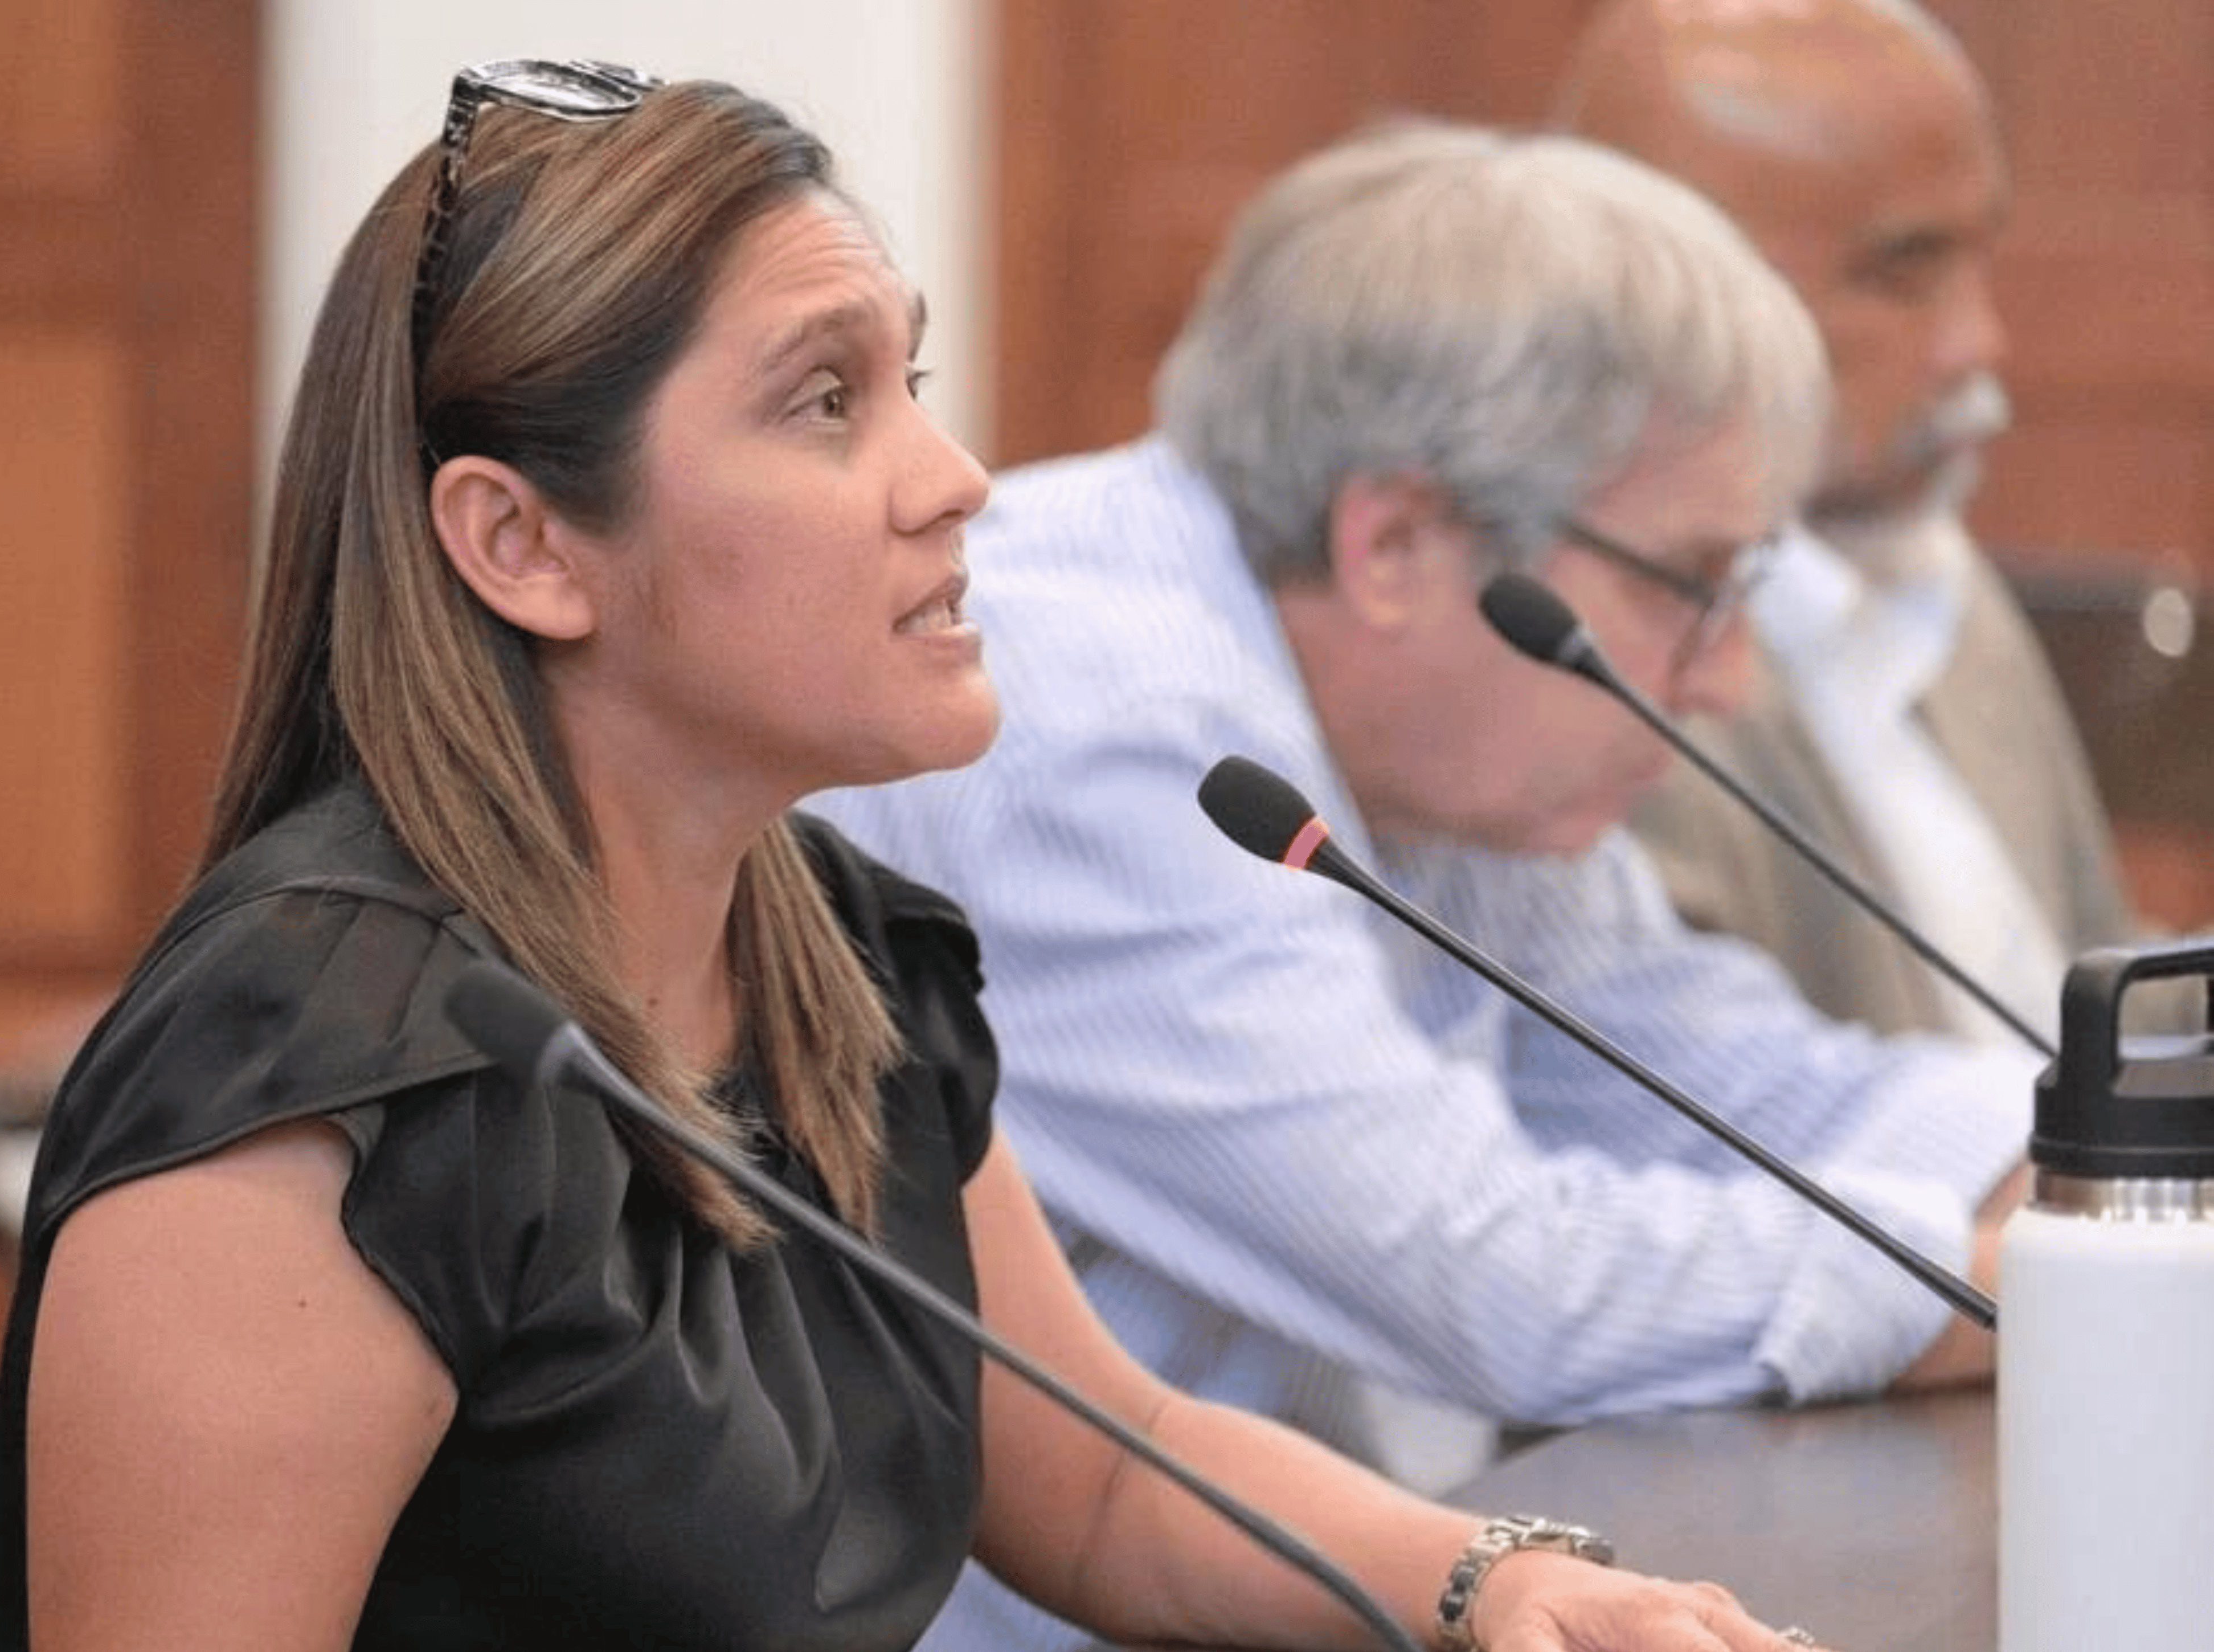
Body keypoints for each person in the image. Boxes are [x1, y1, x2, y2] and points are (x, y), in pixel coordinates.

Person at [0, 59, 1819, 1652]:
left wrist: (1500, 1585)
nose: (953, 476)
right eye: (826, 402)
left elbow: (1088, 1472)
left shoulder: (833, 949)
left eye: (908, 379)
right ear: (522, 545)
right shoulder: (314, 1086)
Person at [811, 116, 2028, 1652]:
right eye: (1689, 590)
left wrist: (2121, 1197)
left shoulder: (1435, 717)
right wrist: (2051, 1279)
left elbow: (1735, 1085)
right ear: (1395, 540)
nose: (1720, 684)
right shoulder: (1097, 721)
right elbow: (1494, 1277)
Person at [1552, 0, 2141, 1046]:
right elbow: (1722, 1115)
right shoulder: (1581, 667)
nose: (1979, 341)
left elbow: (2090, 988)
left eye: (1979, 256)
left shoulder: (1936, 574)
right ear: (1661, 289)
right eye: (1901, 272)